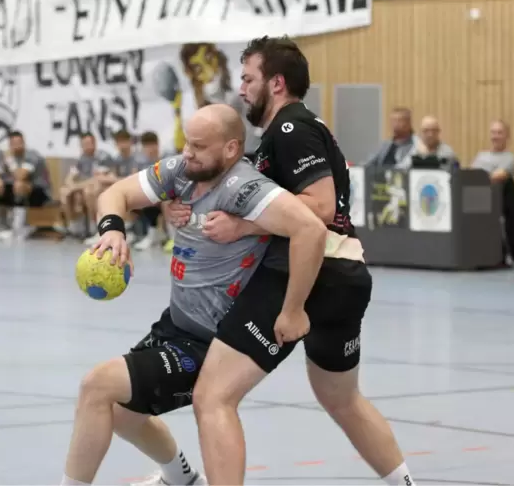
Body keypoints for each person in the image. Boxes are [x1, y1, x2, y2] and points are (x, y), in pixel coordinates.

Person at [165, 36, 415, 486]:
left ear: (276, 83)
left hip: (305, 273)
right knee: (342, 399)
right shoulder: (288, 133)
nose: (241, 88)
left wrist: (243, 230)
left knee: (213, 397)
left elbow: (316, 212)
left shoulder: (290, 129)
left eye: (248, 78)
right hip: (346, 278)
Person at [59, 103, 327, 486]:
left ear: (231, 149)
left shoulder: (244, 187)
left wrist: (293, 310)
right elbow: (116, 193)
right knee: (119, 412)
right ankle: (181, 478)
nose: (188, 153)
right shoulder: (180, 173)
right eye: (187, 143)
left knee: (96, 387)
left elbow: (311, 230)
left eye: (199, 147)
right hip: (175, 323)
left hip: (208, 343)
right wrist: (112, 230)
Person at [0, 130, 52, 240]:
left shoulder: (32, 155)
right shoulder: (9, 157)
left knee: (19, 185)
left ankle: (18, 228)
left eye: (18, 142)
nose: (16, 146)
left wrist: (10, 162)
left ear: (23, 142)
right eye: (13, 143)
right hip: (20, 193)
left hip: (40, 192)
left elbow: (21, 175)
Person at [59, 132, 115, 239]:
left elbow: (98, 179)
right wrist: (70, 185)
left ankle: (96, 228)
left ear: (95, 143)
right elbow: (70, 176)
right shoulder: (81, 159)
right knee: (64, 192)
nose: (87, 147)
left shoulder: (103, 157)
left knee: (89, 191)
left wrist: (75, 186)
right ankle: (73, 226)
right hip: (83, 186)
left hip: (101, 187)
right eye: (84, 144)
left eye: (89, 143)